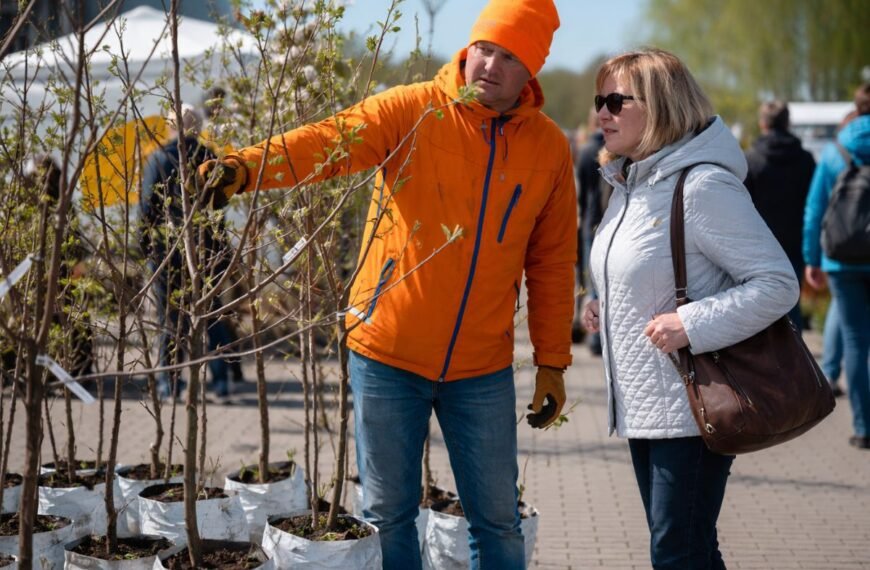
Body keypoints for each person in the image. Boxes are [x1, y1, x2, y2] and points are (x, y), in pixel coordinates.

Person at [198, 1, 575, 567]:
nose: (491, 65)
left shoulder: (549, 148)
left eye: (511, 57)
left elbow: (551, 262)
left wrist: (552, 359)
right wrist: (248, 168)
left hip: (481, 367)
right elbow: (330, 140)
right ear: (469, 49)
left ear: (531, 73)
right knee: (388, 513)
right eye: (486, 49)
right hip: (387, 355)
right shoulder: (413, 110)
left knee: (498, 521)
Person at [581, 49, 798, 569]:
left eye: (616, 101)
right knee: (688, 550)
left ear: (659, 106)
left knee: (676, 553)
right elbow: (649, 273)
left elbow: (777, 283)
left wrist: (691, 323)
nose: (601, 114)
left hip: (693, 404)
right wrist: (599, 304)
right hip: (644, 405)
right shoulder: (627, 186)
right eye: (599, 101)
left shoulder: (703, 186)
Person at [140, 104, 238, 400]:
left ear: (170, 127)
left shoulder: (158, 159)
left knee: (170, 320)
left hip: (168, 252)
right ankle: (220, 382)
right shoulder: (211, 158)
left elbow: (147, 211)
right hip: (208, 250)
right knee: (212, 315)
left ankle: (169, 383)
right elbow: (219, 207)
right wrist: (221, 250)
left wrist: (144, 249)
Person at [802, 83, 870, 450]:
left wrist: (812, 259)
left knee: (857, 343)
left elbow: (815, 210)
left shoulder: (834, 152)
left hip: (841, 259)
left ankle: (864, 427)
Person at [744, 100, 815, 329]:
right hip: (796, 240)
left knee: (759, 308)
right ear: (788, 123)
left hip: (759, 243)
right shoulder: (805, 159)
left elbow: (742, 205)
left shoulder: (750, 159)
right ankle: (796, 359)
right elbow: (812, 204)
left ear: (762, 123)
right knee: (791, 301)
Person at [575, 105, 609, 354]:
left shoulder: (586, 151)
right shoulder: (617, 149)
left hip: (589, 222)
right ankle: (603, 338)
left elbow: (582, 193)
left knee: (591, 280)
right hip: (611, 221)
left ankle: (594, 339)